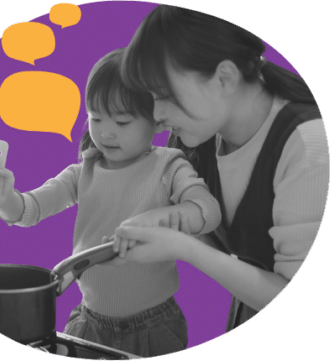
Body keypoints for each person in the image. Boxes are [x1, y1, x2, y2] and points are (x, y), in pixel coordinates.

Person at [0, 48, 221, 357]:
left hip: (154, 326)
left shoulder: (170, 166)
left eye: (122, 121)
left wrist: (172, 215)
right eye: (95, 117)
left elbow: (208, 212)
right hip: (89, 322)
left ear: (158, 122)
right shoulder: (84, 171)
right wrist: (5, 198)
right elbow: (29, 211)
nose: (105, 132)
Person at [111, 4, 329, 333]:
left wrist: (182, 246)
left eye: (165, 95)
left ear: (224, 78)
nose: (155, 115)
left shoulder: (308, 145)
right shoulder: (195, 136)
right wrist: (179, 221)